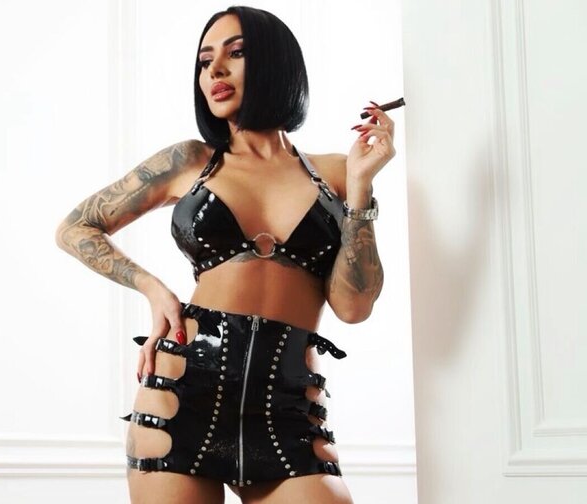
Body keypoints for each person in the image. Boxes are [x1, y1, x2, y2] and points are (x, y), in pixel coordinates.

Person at [54, 5, 393, 503]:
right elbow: (76, 227)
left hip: (287, 405)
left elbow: (353, 307)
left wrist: (361, 188)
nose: (214, 70)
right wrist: (152, 288)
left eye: (235, 53)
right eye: (204, 60)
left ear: (276, 63)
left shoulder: (340, 174)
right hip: (182, 394)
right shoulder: (189, 161)